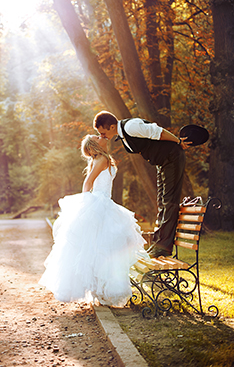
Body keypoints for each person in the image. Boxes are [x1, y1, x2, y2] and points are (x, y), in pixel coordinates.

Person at [39, 134, 148, 307]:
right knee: (103, 248)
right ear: (94, 145)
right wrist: (86, 203)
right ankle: (104, 290)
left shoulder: (100, 159)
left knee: (100, 247)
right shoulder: (102, 159)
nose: (101, 136)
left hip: (104, 202)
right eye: (97, 137)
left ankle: (101, 290)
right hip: (100, 202)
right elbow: (87, 183)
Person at [93, 111, 190, 258]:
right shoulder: (122, 135)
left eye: (103, 132)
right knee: (161, 201)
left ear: (112, 126)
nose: (102, 136)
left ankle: (163, 247)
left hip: (172, 158)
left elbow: (159, 132)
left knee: (169, 201)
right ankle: (158, 243)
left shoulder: (131, 126)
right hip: (162, 163)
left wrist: (178, 142)